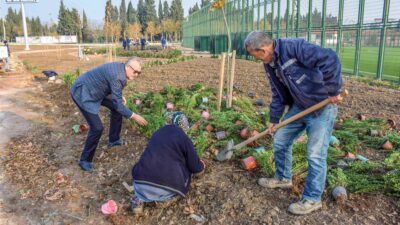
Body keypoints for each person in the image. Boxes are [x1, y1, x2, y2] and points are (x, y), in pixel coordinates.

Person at [244, 31, 343, 215]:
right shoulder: (270, 64)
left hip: (322, 106)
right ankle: (283, 177)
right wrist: (274, 119)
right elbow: (277, 92)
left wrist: (332, 89)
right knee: (280, 139)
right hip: (300, 106)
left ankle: (312, 199)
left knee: (315, 154)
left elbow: (329, 58)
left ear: (264, 50)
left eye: (255, 55)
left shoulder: (295, 47)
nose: (256, 59)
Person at [70, 57, 148, 172]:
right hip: (84, 93)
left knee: (116, 108)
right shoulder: (118, 76)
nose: (136, 74)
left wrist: (117, 96)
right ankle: (84, 160)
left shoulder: (120, 68)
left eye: (139, 73)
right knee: (97, 128)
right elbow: (118, 104)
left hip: (95, 90)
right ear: (127, 66)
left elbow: (108, 82)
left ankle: (114, 140)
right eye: (135, 71)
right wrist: (134, 116)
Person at [130, 112, 205, 215]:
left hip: (140, 182)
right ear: (184, 126)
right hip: (166, 187)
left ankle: (138, 199)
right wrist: (201, 166)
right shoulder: (182, 137)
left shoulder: (157, 133)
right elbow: (195, 167)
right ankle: (166, 199)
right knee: (186, 172)